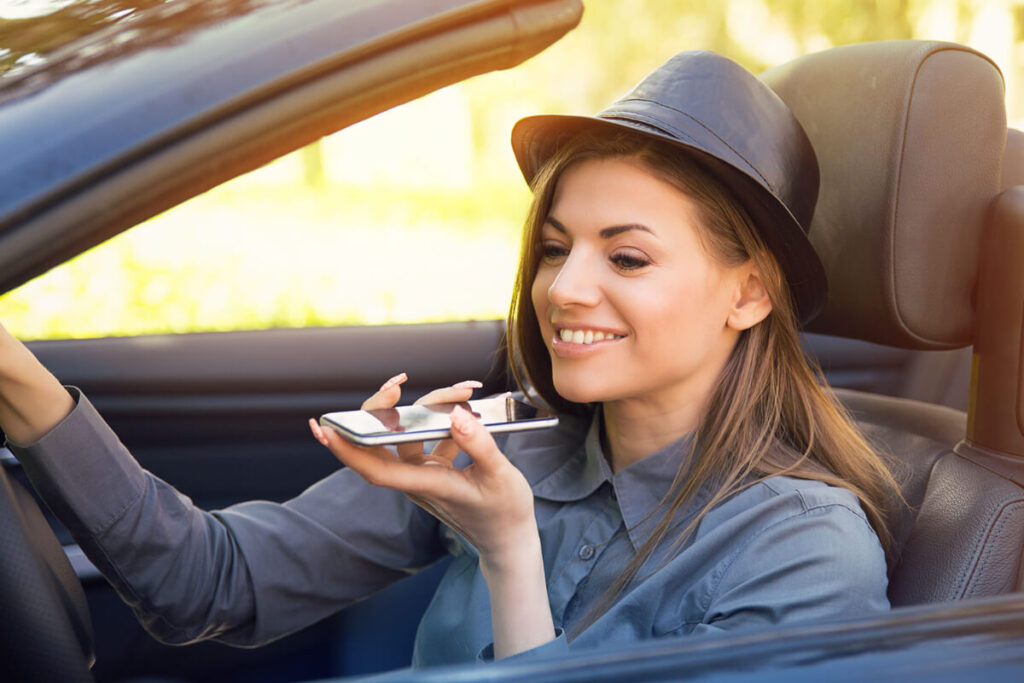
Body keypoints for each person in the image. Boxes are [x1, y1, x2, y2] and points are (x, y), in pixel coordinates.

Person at [0, 51, 900, 666]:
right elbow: (205, 582)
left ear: (750, 293)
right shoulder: (505, 448)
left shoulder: (805, 549)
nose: (566, 289)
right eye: (555, 247)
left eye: (625, 256)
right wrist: (16, 380)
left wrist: (508, 548)